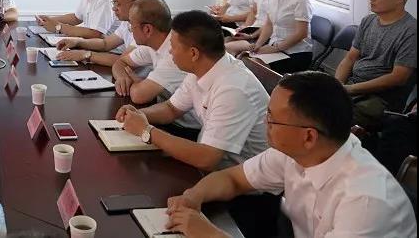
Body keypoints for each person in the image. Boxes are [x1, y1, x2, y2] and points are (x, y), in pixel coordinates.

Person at [164, 72, 417, 238]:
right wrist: (193, 196)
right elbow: (234, 179)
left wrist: (210, 234)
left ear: (309, 137)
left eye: (272, 119)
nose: (265, 123)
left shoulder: (365, 201)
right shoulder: (296, 153)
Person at [115, 10, 268, 172]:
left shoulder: (233, 90)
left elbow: (207, 158)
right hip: (212, 163)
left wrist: (147, 131)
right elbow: (171, 109)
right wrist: (139, 115)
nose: (170, 51)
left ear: (193, 53)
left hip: (241, 178)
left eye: (173, 46)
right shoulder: (202, 68)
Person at [335, 0, 416, 129]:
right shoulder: (368, 21)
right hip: (353, 86)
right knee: (309, 102)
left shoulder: (411, 31)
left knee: (330, 116)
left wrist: (349, 89)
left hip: (380, 98)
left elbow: (398, 77)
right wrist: (337, 85)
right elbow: (350, 58)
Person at [110, 0, 200, 134]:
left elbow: (138, 96)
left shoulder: (174, 54)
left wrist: (137, 82)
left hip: (185, 129)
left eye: (131, 25)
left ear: (147, 29)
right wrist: (123, 77)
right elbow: (120, 62)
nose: (130, 30)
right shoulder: (153, 43)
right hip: (166, 113)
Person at [56, 0, 148, 66]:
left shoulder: (145, 29)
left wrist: (86, 55)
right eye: (113, 3)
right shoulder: (127, 23)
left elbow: (124, 61)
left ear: (135, 3)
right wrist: (78, 42)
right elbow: (105, 43)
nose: (114, 8)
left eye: (118, 4)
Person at [252, 0, 313, 74]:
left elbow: (301, 33)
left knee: (256, 67)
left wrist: (275, 48)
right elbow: (269, 24)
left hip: (296, 52)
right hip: (276, 46)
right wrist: (258, 44)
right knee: (247, 60)